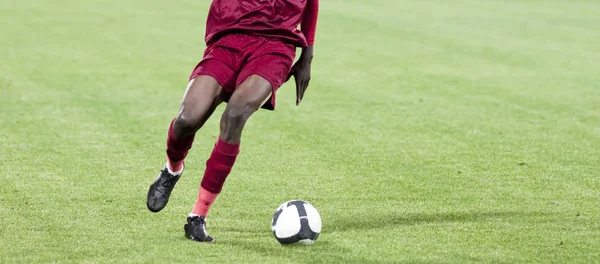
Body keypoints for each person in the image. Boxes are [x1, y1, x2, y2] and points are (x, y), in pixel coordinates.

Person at [146, 0, 319, 243]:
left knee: (235, 115)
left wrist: (307, 56)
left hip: (276, 45)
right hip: (229, 37)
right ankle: (172, 168)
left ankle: (198, 216)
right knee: (187, 119)